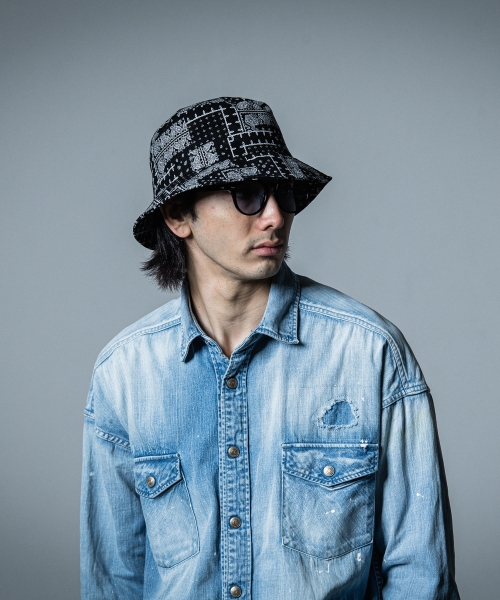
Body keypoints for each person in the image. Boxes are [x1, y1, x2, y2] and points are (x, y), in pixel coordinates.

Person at [80, 97, 460, 599]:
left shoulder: (369, 353)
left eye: (283, 193)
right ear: (178, 215)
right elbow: (113, 579)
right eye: (248, 194)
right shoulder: (125, 373)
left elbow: (421, 574)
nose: (275, 216)